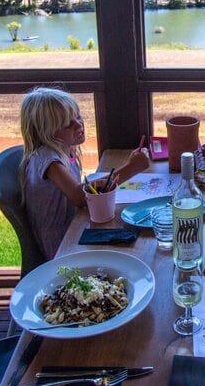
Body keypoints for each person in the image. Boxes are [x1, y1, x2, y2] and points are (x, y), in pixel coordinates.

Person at [19, 87, 149, 258]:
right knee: (139, 247)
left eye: (78, 116)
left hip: (76, 228)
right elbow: (79, 196)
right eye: (67, 124)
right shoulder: (48, 159)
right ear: (45, 132)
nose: (78, 124)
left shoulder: (65, 151)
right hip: (63, 246)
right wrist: (131, 168)